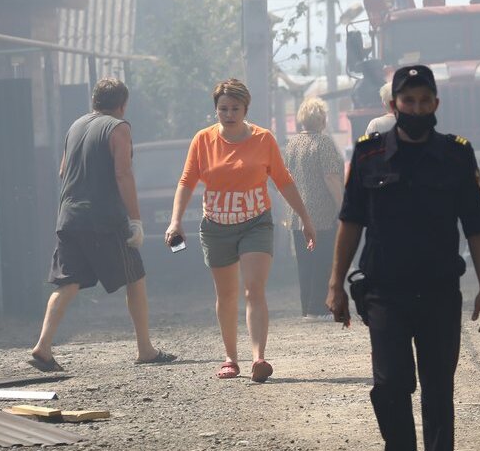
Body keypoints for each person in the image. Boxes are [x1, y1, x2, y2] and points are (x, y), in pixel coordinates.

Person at [327, 64, 480, 451]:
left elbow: (476, 225)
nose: (416, 109)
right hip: (384, 291)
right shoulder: (368, 154)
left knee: (438, 391)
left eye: (423, 101)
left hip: (439, 291)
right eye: (408, 101)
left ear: (436, 103)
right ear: (393, 105)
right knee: (390, 385)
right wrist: (335, 284)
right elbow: (350, 221)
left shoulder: (456, 154)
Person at [165, 78, 317, 382]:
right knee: (226, 294)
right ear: (216, 110)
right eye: (223, 108)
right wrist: (175, 220)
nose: (229, 114)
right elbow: (186, 181)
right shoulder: (203, 140)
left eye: (235, 108)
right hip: (216, 226)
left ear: (246, 109)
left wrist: (305, 217)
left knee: (253, 288)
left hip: (255, 223)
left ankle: (259, 358)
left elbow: (283, 181)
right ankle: (230, 358)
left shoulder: (263, 139)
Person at [29, 78, 175, 372]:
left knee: (67, 283)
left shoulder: (76, 126)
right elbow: (123, 174)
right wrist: (135, 220)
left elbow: (62, 171)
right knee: (134, 277)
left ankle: (42, 348)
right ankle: (145, 349)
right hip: (103, 219)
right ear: (123, 104)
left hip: (69, 217)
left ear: (94, 101)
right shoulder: (119, 128)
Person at [284, 97, 344, 318]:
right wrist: (342, 206)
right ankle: (318, 308)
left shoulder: (292, 144)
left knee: (305, 262)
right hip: (321, 213)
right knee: (323, 259)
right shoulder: (323, 142)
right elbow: (331, 177)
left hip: (296, 212)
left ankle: (307, 308)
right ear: (322, 119)